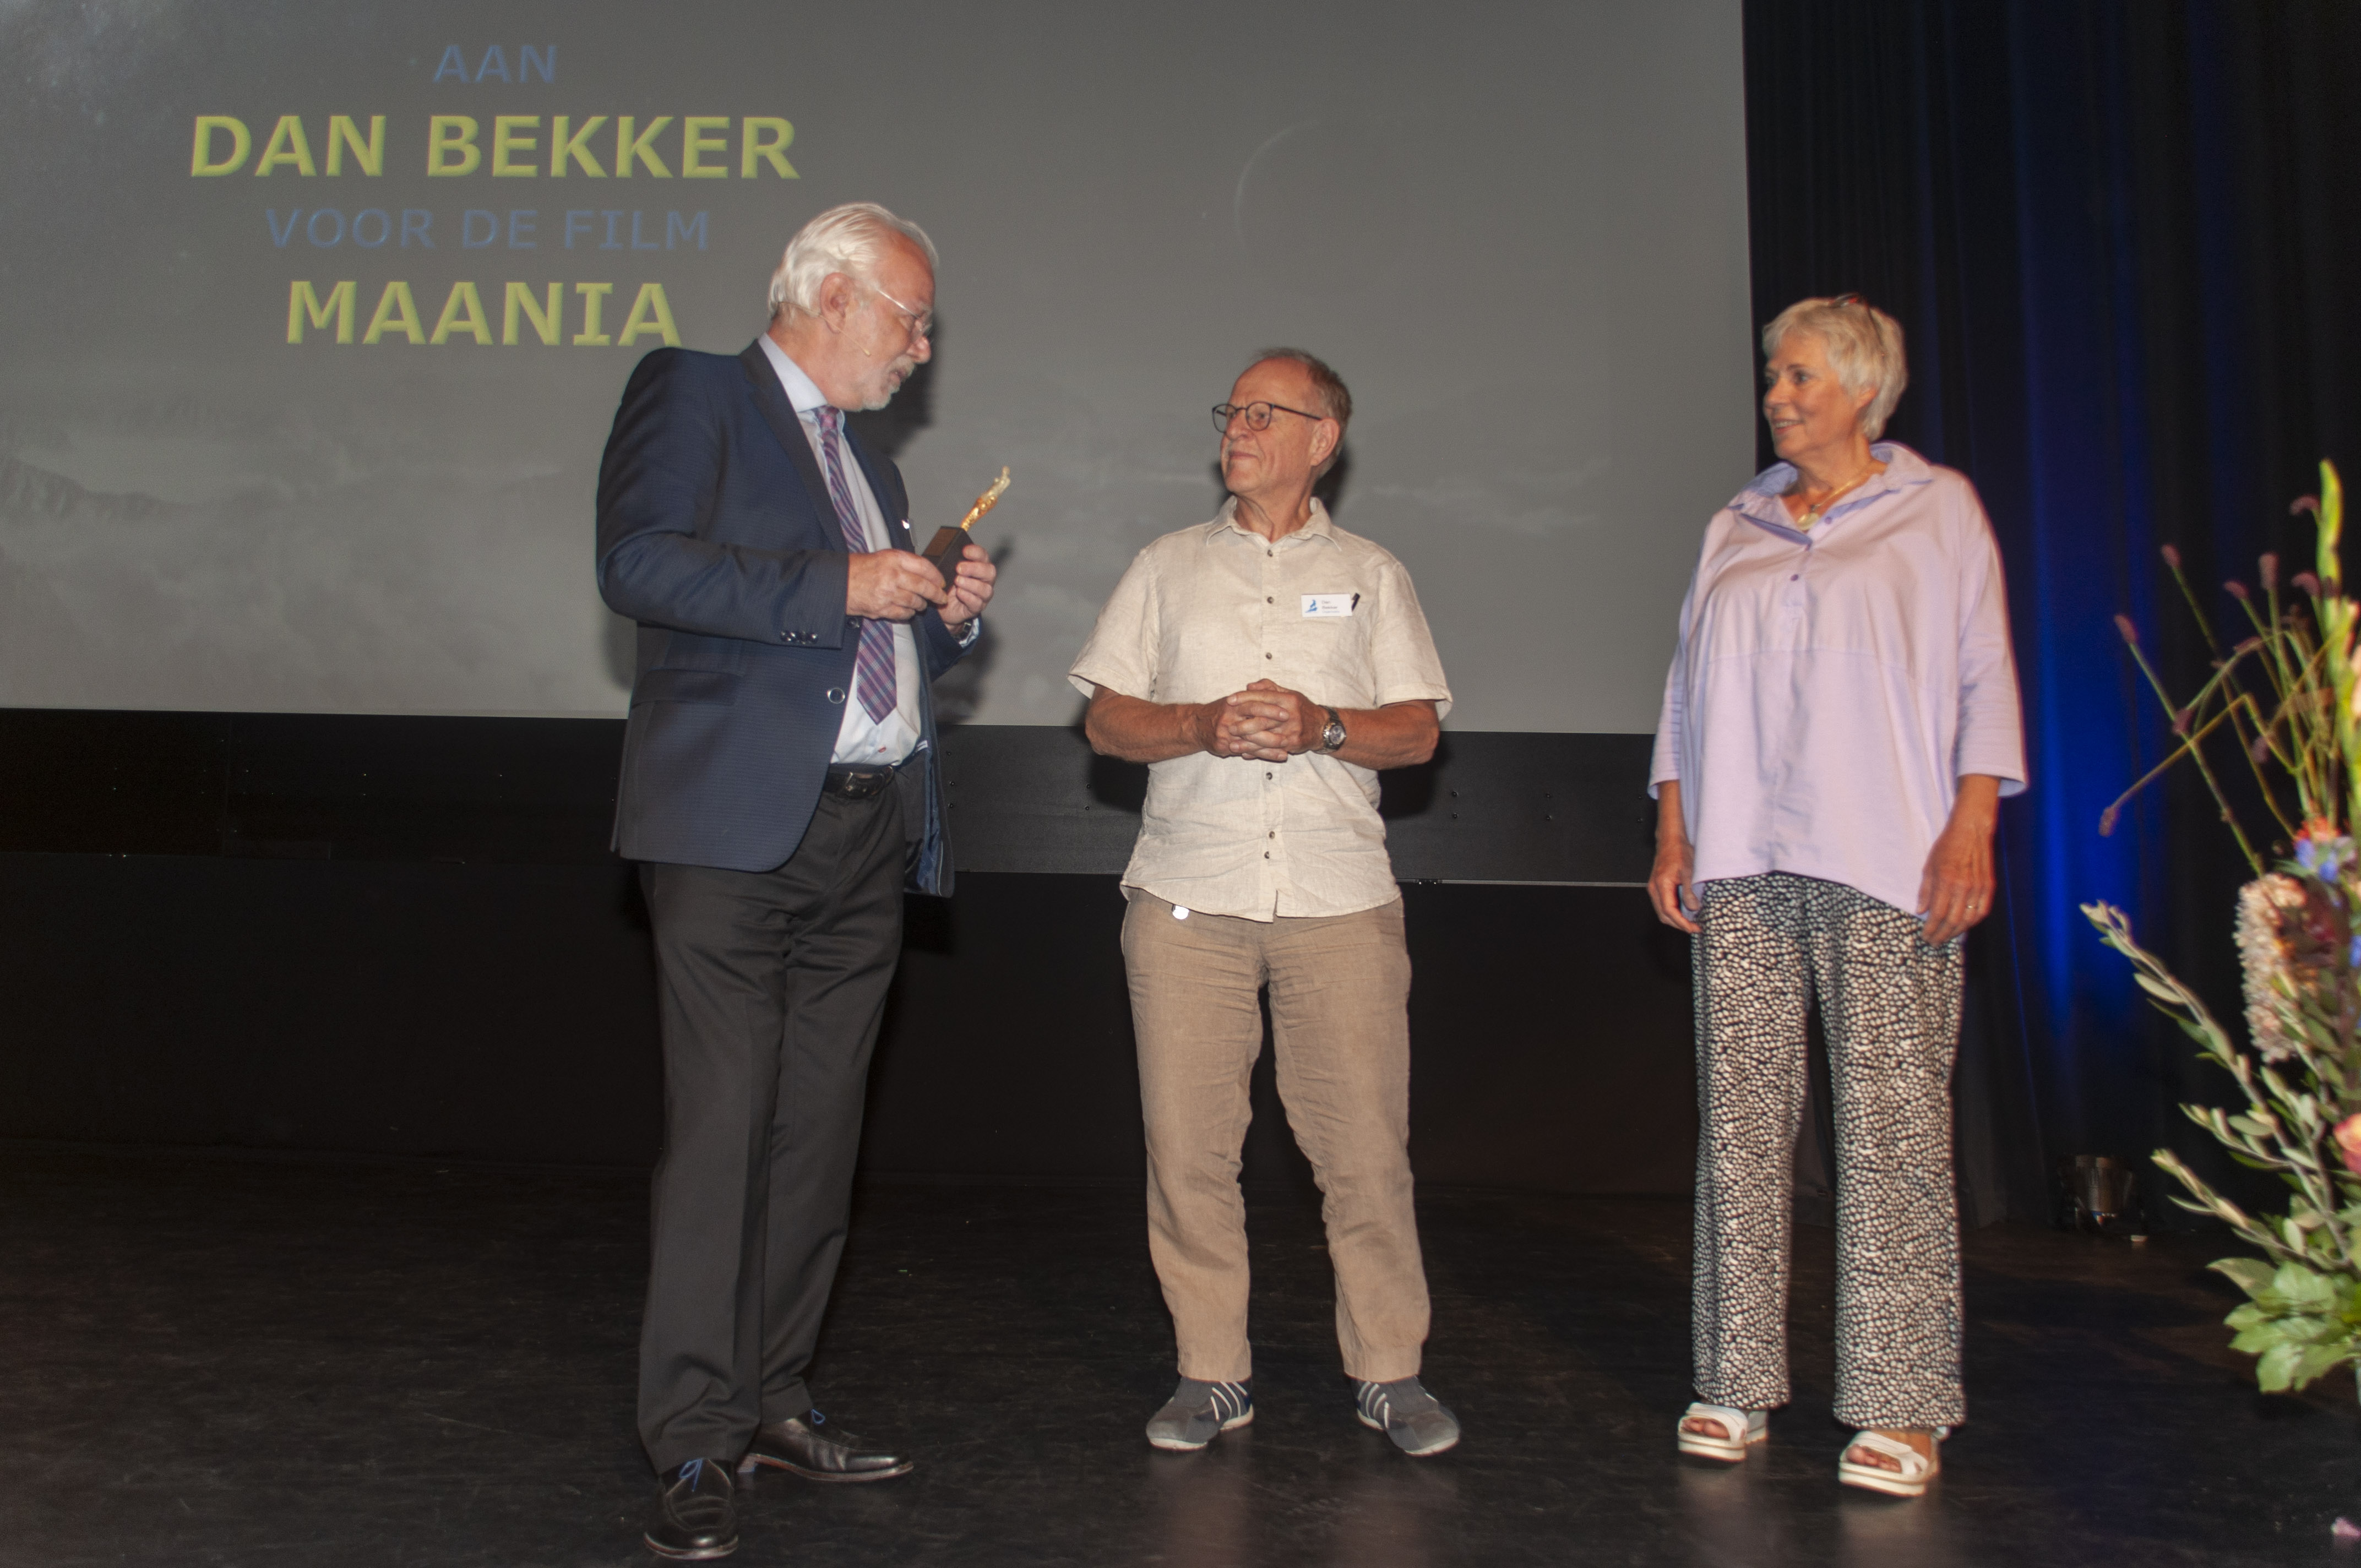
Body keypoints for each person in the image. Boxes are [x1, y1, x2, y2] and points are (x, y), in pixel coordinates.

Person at [595, 201, 996, 1560]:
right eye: (910, 320)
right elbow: (638, 562)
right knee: (724, 1129)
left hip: (865, 833)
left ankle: (771, 1394)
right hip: (730, 831)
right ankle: (692, 1432)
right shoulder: (694, 391)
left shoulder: (868, 462)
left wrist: (941, 614)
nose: (921, 348)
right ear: (832, 295)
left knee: (818, 1132)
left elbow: (870, 642)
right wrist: (844, 582)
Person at [1647, 296, 2025, 1498]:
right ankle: (1731, 1379)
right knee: (1739, 1125)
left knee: (1891, 1134)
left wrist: (1973, 822)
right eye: (1773, 374)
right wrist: (1673, 824)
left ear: (1864, 389)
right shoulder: (1736, 521)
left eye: (1801, 375)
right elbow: (1685, 685)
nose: (1777, 394)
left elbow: (1984, 672)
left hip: (1888, 856)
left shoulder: (1937, 508)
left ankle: (1900, 1405)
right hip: (1742, 855)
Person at [1068, 349, 1461, 1459]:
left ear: (1320, 438)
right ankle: (1210, 1372)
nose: (1235, 428)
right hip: (1189, 896)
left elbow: (1417, 730)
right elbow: (1105, 720)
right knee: (1189, 1150)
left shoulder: (1373, 573)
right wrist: (1199, 723)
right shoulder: (1165, 566)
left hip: (1337, 899)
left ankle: (1389, 1369)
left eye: (1261, 413)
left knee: (1363, 1152)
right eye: (1230, 412)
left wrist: (1322, 724)